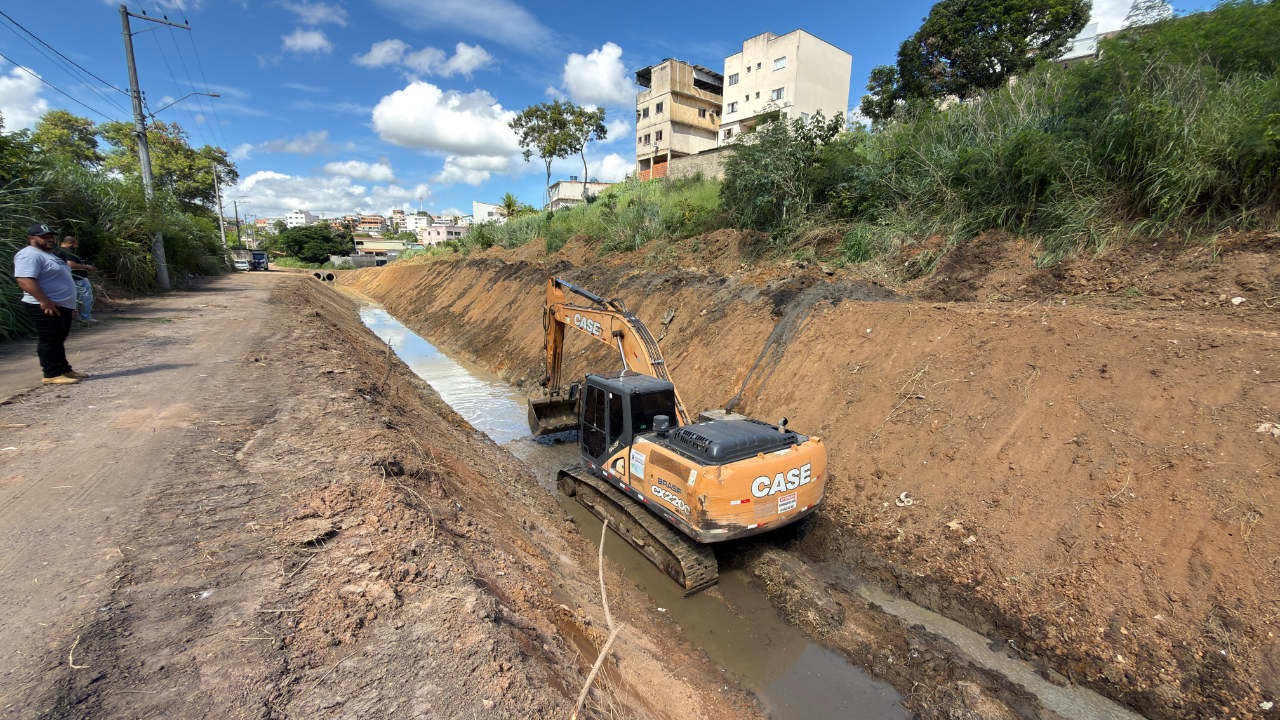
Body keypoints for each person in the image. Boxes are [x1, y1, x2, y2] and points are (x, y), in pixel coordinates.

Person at [13, 224, 83, 385]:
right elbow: (24, 280)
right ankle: (51, 373)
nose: (50, 239)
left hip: (61, 305)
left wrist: (71, 306)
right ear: (31, 238)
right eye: (44, 237)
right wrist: (44, 301)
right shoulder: (28, 255)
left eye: (51, 236)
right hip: (45, 305)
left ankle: (64, 369)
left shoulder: (50, 255)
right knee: (49, 338)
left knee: (58, 338)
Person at [57, 235, 97, 324]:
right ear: (71, 243)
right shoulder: (67, 251)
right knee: (85, 297)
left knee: (76, 299)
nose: (76, 247)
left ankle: (77, 318)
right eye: (75, 245)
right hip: (78, 279)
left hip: (70, 279)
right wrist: (86, 267)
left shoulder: (59, 251)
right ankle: (85, 317)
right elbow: (70, 264)